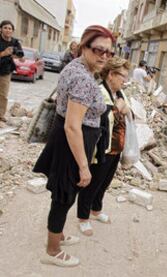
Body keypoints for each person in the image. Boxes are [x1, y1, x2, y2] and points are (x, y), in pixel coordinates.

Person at [33, 25, 115, 267]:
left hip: (67, 140)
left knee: (64, 194)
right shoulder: (83, 79)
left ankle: (56, 235)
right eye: (99, 50)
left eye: (109, 52)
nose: (104, 56)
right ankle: (52, 251)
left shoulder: (76, 67)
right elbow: (72, 126)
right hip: (72, 143)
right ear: (84, 47)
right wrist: (83, 166)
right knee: (64, 196)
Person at [77, 56, 131, 236]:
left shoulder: (120, 94)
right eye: (122, 76)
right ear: (111, 75)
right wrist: (117, 109)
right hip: (100, 148)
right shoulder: (100, 91)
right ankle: (83, 217)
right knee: (92, 183)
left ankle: (96, 209)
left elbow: (129, 111)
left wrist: (123, 108)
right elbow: (99, 117)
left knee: (105, 182)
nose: (125, 80)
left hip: (116, 147)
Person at [0, 20, 24, 124]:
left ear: (12, 31)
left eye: (10, 28)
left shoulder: (15, 42)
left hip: (5, 71)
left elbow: (20, 54)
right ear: (0, 29)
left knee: (3, 94)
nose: (7, 30)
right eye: (5, 28)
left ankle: (0, 115)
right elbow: (4, 54)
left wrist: (19, 57)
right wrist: (4, 53)